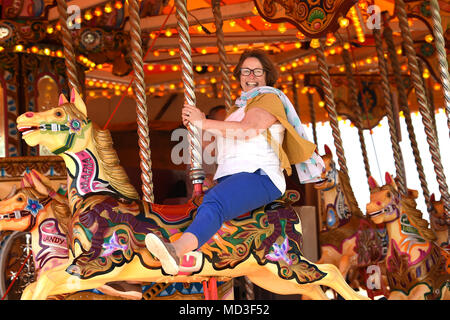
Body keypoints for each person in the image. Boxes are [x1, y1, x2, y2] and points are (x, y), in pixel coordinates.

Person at [145, 49, 324, 275]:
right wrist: (196, 125)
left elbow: (248, 130)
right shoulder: (238, 108)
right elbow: (217, 144)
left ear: (267, 76)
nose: (251, 76)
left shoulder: (269, 98)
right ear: (239, 76)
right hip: (235, 177)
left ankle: (177, 251)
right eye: (245, 71)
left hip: (259, 175)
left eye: (257, 71)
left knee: (215, 203)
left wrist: (204, 122)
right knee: (197, 207)